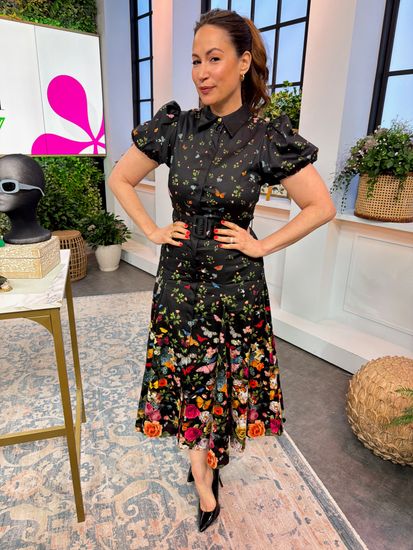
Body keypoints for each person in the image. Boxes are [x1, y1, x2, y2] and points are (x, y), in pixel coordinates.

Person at [109, 8, 336, 533]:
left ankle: (209, 454)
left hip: (236, 285)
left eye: (214, 59)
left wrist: (261, 245)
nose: (202, 73)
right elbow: (121, 178)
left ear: (243, 63)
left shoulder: (267, 136)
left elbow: (320, 206)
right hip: (179, 282)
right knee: (190, 376)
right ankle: (204, 480)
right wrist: (152, 229)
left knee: (224, 380)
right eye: (195, 61)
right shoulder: (176, 127)